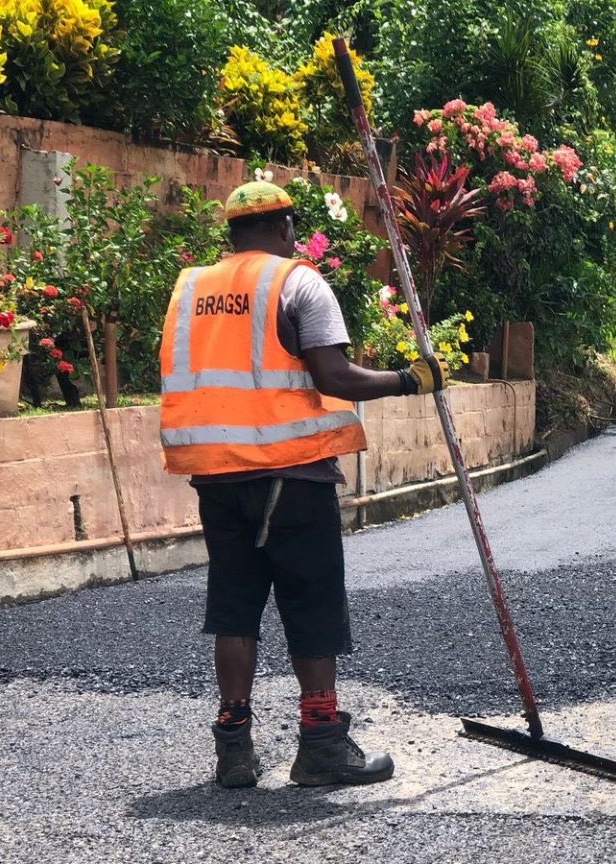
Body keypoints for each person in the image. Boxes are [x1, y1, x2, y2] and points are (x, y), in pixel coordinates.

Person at [159, 180, 448, 789]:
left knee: (235, 609)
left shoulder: (192, 288)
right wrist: (411, 379)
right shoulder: (297, 282)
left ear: (233, 232)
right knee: (311, 605)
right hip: (290, 473)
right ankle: (320, 744)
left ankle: (233, 749)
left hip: (217, 474)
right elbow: (334, 376)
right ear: (285, 227)